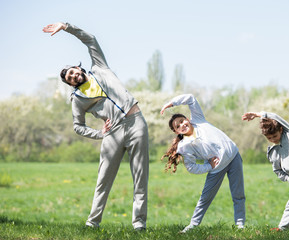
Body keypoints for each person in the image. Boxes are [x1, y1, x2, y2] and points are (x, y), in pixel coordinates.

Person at [43, 22, 149, 231]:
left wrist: (66, 27)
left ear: (78, 68)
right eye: (70, 79)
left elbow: (90, 39)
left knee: (140, 176)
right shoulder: (78, 100)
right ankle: (92, 223)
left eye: (73, 71)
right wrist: (100, 133)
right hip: (112, 133)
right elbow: (78, 126)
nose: (73, 76)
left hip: (136, 124)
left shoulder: (99, 67)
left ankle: (139, 225)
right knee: (103, 180)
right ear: (71, 84)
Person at [160, 94, 246, 233]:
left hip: (234, 156)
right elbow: (191, 167)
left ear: (188, 119)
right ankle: (193, 225)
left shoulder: (198, 120)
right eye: (178, 126)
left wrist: (170, 104)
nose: (182, 125)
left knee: (238, 194)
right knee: (205, 199)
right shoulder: (185, 146)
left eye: (182, 120)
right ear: (176, 131)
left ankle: (240, 224)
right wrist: (209, 166)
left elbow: (190, 98)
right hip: (217, 168)